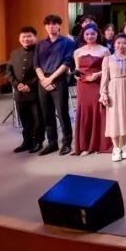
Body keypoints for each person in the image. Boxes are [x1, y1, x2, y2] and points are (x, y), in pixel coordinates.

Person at [35, 14, 76, 156]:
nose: (51, 26)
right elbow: (36, 64)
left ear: (59, 26)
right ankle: (52, 143)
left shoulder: (68, 42)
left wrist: (50, 79)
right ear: (45, 27)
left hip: (59, 79)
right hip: (43, 81)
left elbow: (67, 62)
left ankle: (67, 143)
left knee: (62, 112)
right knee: (47, 114)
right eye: (48, 24)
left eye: (54, 24)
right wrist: (43, 80)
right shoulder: (40, 44)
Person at [72, 24, 110, 155]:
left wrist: (97, 75)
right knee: (85, 112)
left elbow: (108, 69)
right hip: (83, 85)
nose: (90, 36)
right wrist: (77, 76)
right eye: (87, 34)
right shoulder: (77, 51)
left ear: (97, 35)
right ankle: (85, 145)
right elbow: (77, 69)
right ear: (83, 35)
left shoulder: (104, 50)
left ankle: (98, 144)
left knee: (98, 110)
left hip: (97, 83)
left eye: (93, 34)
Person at [8, 26, 43, 153]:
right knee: (24, 120)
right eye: (23, 37)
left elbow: (43, 71)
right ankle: (27, 142)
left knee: (37, 120)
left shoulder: (40, 52)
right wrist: (16, 84)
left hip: (35, 92)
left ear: (35, 38)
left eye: (29, 36)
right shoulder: (14, 53)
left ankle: (38, 142)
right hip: (20, 93)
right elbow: (9, 71)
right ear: (19, 38)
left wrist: (30, 85)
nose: (26, 39)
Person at [100, 34, 126, 161]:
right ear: (114, 44)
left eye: (124, 43)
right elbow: (104, 78)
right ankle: (116, 147)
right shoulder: (108, 59)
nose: (121, 45)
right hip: (113, 90)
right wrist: (103, 93)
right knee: (114, 118)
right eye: (118, 43)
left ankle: (124, 145)